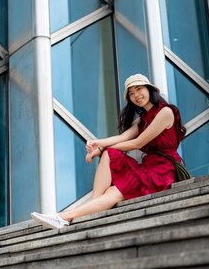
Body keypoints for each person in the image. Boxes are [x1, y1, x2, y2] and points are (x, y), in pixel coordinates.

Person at [32, 73, 186, 229]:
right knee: (111, 162)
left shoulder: (166, 112)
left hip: (163, 171)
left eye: (139, 89)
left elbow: (138, 143)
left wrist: (101, 148)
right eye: (131, 94)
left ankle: (62, 216)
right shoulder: (143, 120)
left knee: (116, 187)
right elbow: (123, 137)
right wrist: (98, 145)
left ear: (150, 90)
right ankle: (84, 209)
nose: (136, 96)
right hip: (148, 167)